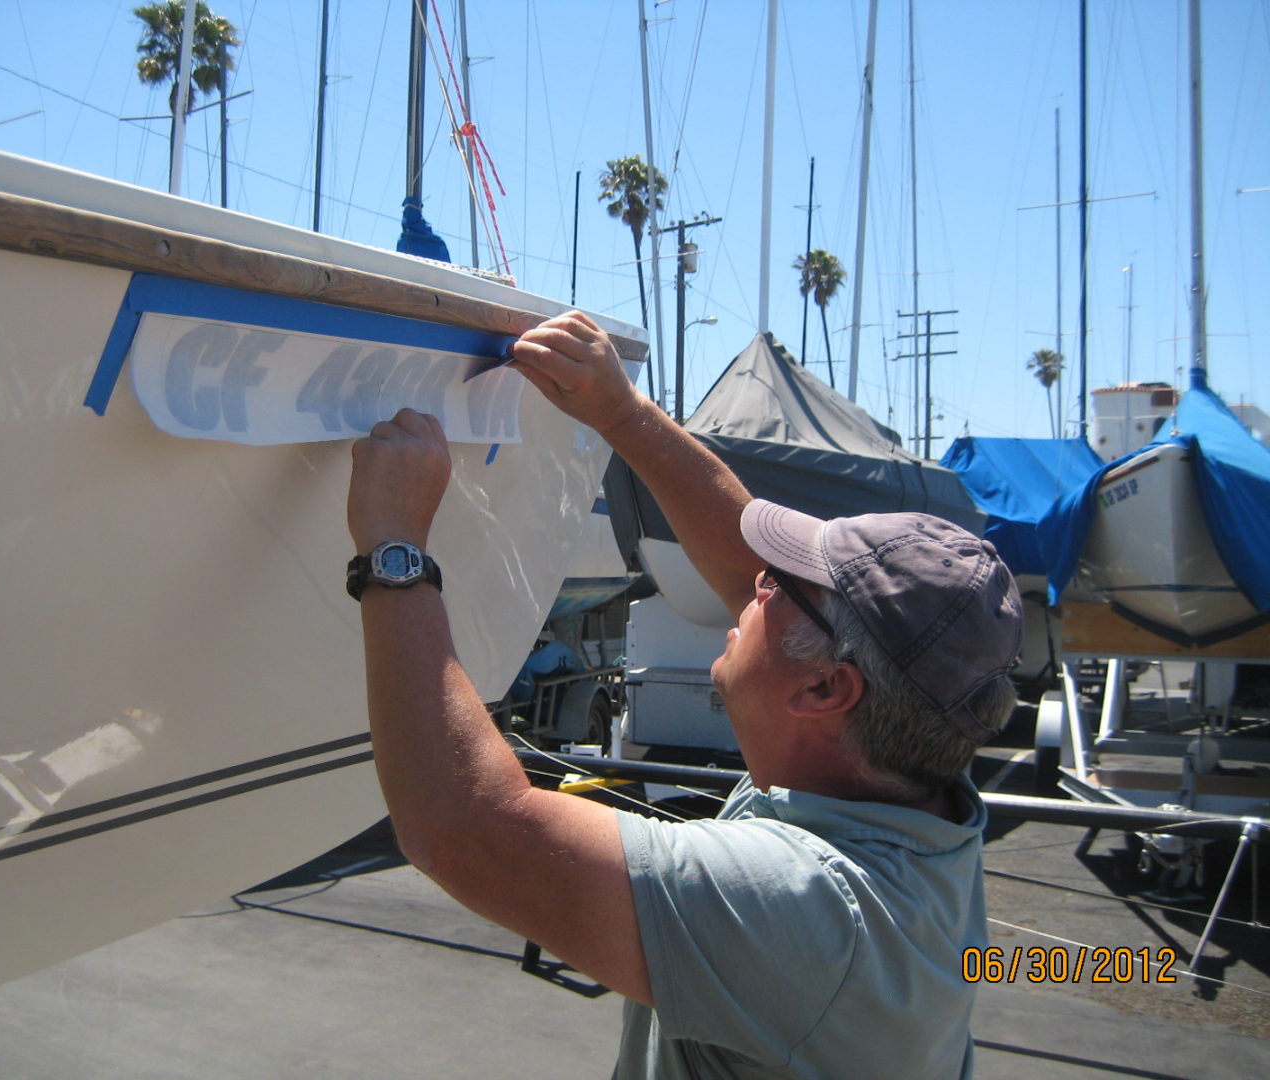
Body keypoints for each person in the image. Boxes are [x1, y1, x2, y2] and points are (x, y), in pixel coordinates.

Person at [345, 311, 1022, 1078]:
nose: (753, 583)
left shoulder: (813, 914)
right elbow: (744, 562)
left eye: (783, 585)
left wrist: (393, 546)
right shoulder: (915, 781)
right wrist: (621, 413)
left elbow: (465, 829)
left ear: (828, 686)